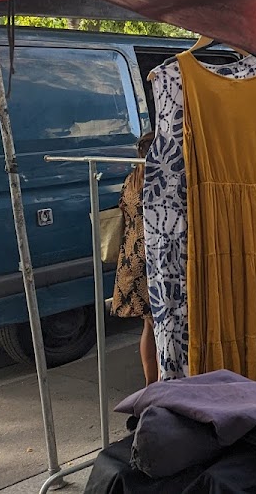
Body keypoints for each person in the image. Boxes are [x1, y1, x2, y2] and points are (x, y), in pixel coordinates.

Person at [110, 132, 158, 385]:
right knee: (162, 325)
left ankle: (151, 381)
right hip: (153, 259)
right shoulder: (159, 180)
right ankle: (163, 380)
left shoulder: (131, 180)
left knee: (149, 326)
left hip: (131, 261)